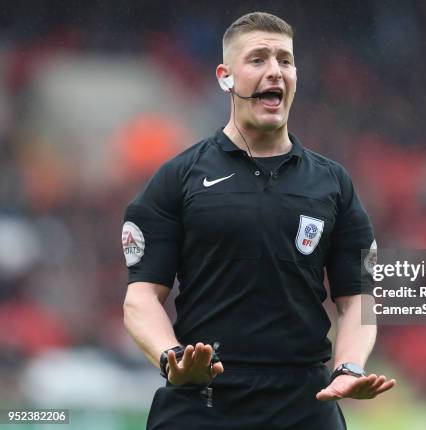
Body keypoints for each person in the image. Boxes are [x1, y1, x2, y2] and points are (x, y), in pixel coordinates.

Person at [122, 11, 395, 430]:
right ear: (225, 76)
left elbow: (357, 298)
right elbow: (140, 298)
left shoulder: (333, 183)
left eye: (285, 61)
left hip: (305, 400)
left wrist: (349, 366)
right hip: (203, 395)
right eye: (258, 60)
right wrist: (170, 357)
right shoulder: (178, 177)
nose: (275, 72)